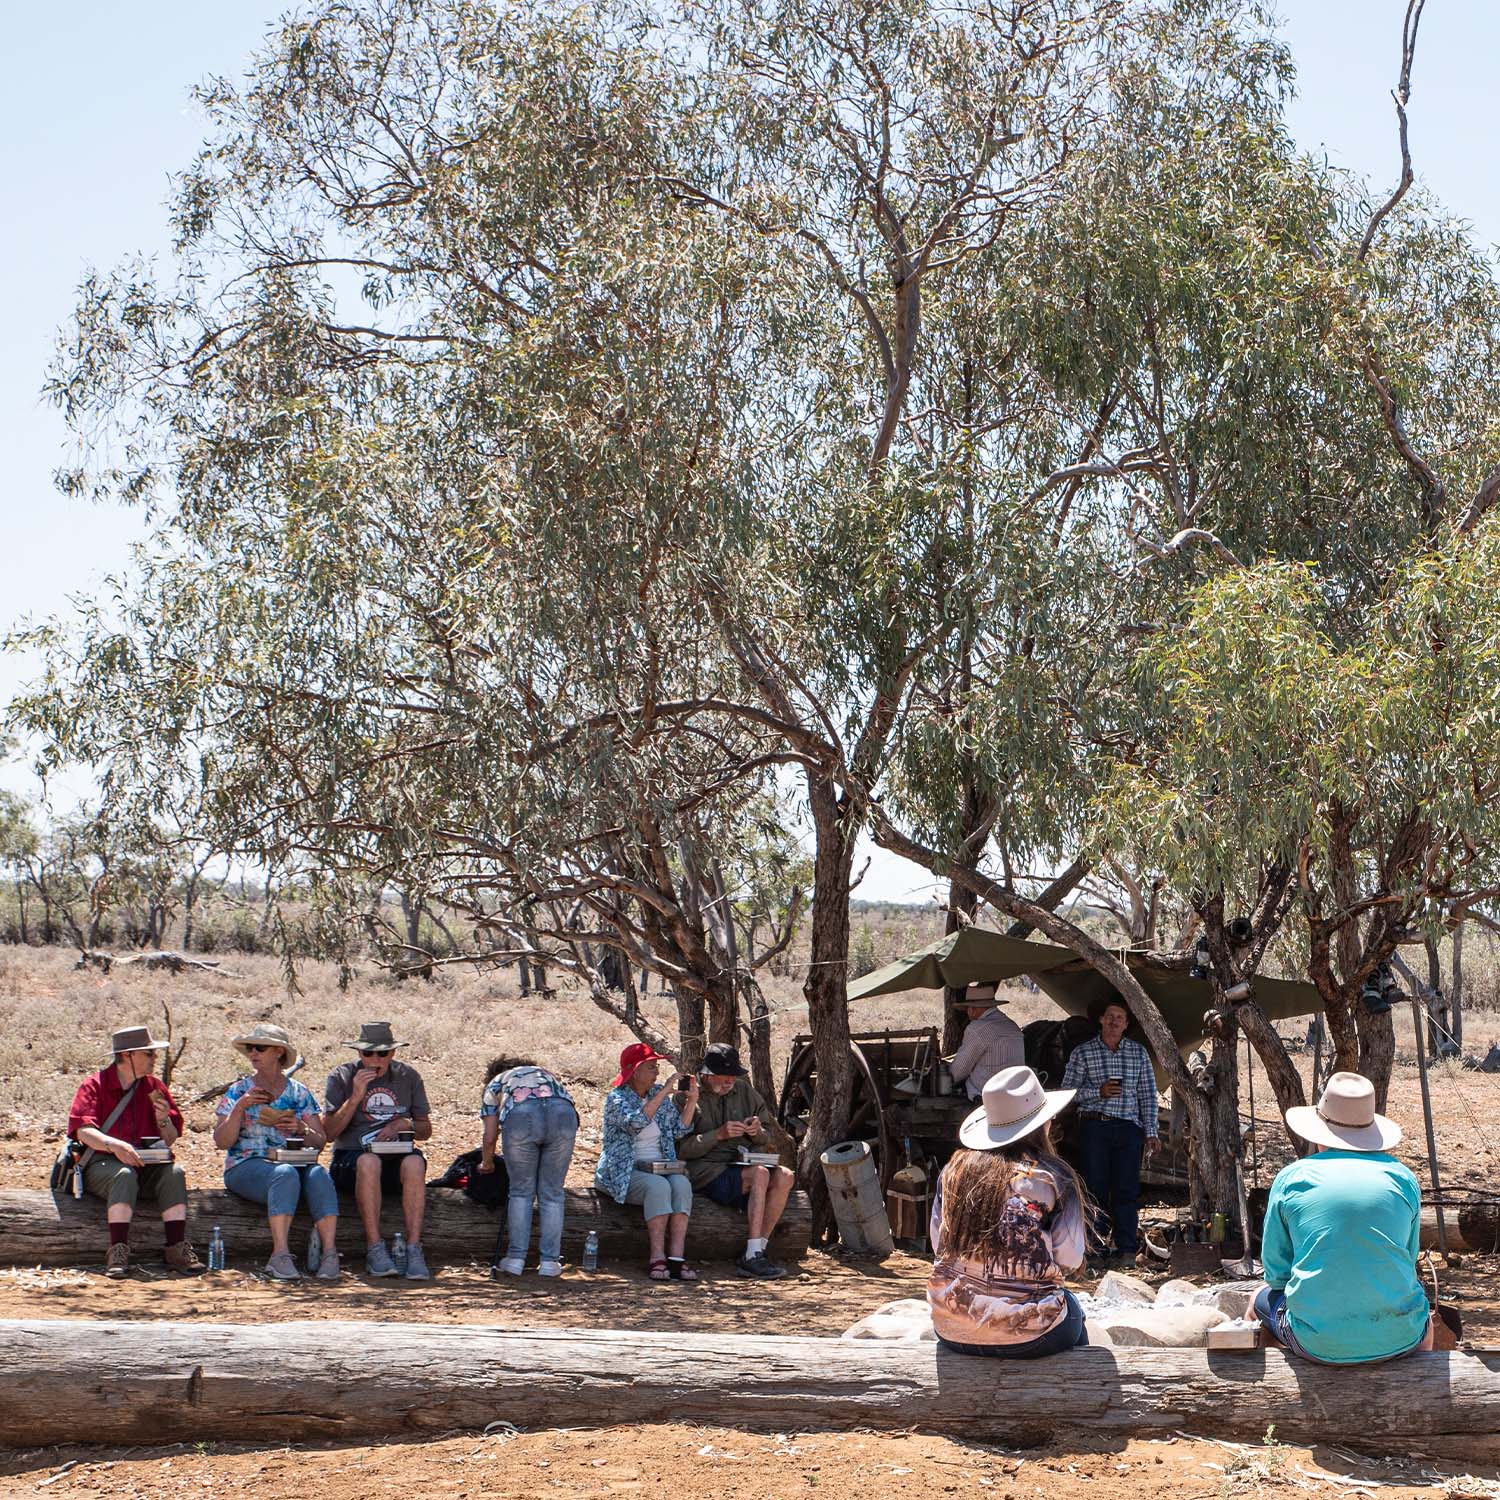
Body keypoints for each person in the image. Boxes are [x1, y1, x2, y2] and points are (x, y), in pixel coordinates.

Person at [1253, 1071, 1432, 1364]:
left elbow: (1276, 1274)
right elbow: (1407, 1260)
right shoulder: (1402, 1178)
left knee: (1258, 1303)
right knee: (1422, 1317)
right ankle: (1421, 1391)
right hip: (1400, 1335)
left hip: (1315, 1341)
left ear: (1320, 1134)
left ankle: (1277, 1394)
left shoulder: (1292, 1178)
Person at [928, 1065, 1089, 1357]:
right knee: (1073, 1311)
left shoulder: (953, 1172)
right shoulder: (1054, 1178)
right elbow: (1069, 1257)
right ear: (1044, 1123)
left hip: (952, 1324)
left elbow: (939, 1244)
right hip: (1031, 1335)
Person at [66, 1024, 204, 1279]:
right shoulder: (94, 1085)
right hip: (103, 1163)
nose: (154, 1059)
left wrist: (164, 1120)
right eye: (148, 1053)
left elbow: (171, 1138)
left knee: (175, 1172)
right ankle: (118, 1251)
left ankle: (177, 1249)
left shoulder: (154, 1087)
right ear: (128, 1055)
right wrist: (114, 1145)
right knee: (123, 1175)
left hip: (146, 1163)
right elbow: (82, 1131)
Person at [213, 1022, 339, 1281]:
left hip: (292, 1164)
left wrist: (301, 1128)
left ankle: (330, 1254)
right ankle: (279, 1255)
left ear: (279, 1052)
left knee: (319, 1175)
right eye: (250, 1048)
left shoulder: (298, 1092)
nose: (253, 1053)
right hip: (245, 1166)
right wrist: (239, 1108)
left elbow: (320, 1141)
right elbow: (222, 1141)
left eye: (260, 1047)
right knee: (285, 1174)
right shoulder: (238, 1091)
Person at [324, 1020, 433, 1280]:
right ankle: (375, 1248)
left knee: (415, 1163)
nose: (375, 1059)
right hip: (352, 1160)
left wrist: (405, 1123)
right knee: (369, 1161)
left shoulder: (408, 1077)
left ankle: (414, 1248)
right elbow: (329, 1133)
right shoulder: (342, 1077)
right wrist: (356, 1096)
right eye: (368, 1053)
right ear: (359, 1053)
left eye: (382, 1053)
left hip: (396, 1157)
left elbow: (426, 1131)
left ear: (392, 1053)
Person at [677, 1042, 795, 1280]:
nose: (729, 1081)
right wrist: (717, 1135)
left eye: (733, 1075)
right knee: (760, 1173)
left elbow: (769, 1134)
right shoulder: (688, 1096)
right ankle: (752, 1256)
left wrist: (756, 1132)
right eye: (724, 1075)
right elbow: (679, 1149)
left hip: (742, 1164)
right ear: (707, 1074)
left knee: (785, 1176)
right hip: (705, 1170)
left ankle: (757, 1250)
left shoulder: (743, 1091)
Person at [1060, 995, 1160, 1265]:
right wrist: (1098, 1092)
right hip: (1095, 1126)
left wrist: (1151, 1131)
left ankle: (1127, 1249)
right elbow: (1067, 1093)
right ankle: (1095, 1249)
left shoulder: (1138, 1053)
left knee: (1127, 1190)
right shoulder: (1083, 1052)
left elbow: (1148, 1096)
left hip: (1129, 1130)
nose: (1115, 1021)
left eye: (1120, 1018)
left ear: (1127, 1024)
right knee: (1095, 1188)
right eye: (1110, 1016)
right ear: (1101, 1020)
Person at [594, 1041, 699, 1281]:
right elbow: (636, 1123)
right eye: (651, 1067)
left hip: (660, 1166)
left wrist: (692, 1100)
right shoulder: (617, 1099)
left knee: (681, 1185)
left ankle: (676, 1258)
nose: (657, 1073)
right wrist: (664, 1093)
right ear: (635, 1071)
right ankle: (656, 1257)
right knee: (658, 1187)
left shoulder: (655, 1094)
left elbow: (679, 1130)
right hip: (623, 1170)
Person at [480, 1056, 579, 1278]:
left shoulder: (496, 1083)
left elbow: (489, 1136)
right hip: (563, 1114)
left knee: (521, 1192)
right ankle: (550, 1262)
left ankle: (516, 1258)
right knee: (552, 1193)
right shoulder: (544, 1074)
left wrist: (486, 1162)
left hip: (521, 1115)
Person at [947, 981, 1026, 1100]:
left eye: (968, 1008)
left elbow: (959, 1071)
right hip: (1016, 1089)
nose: (968, 1012)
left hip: (986, 1094)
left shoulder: (977, 1029)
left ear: (973, 1009)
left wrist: (945, 1077)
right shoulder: (1012, 1025)